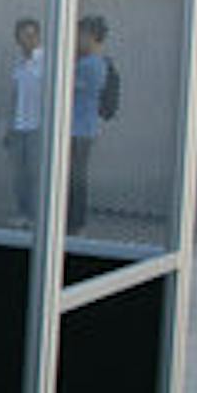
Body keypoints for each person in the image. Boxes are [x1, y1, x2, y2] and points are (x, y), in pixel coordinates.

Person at [69, 14, 111, 232]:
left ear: (93, 37)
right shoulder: (85, 62)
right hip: (79, 129)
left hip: (80, 130)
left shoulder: (91, 65)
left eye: (81, 35)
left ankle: (76, 222)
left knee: (76, 177)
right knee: (73, 176)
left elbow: (70, 89)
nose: (77, 39)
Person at [6, 16, 43, 226]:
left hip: (37, 126)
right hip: (19, 125)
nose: (26, 40)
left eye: (30, 35)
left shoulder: (47, 61)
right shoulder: (19, 62)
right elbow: (15, 94)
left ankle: (36, 215)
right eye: (22, 36)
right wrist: (9, 126)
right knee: (19, 174)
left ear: (38, 36)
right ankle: (23, 213)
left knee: (33, 173)